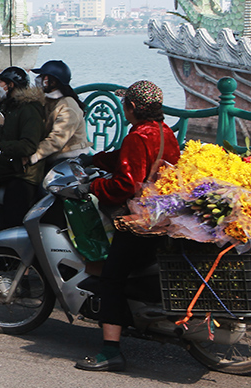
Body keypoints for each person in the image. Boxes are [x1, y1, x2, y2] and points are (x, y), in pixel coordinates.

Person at [75, 80, 180, 372]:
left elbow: (126, 184)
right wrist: (95, 159)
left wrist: (94, 186)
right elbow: (130, 161)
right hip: (163, 214)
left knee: (112, 277)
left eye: (124, 105)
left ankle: (110, 351)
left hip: (141, 220)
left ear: (132, 108)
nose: (123, 110)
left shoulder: (138, 136)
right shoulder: (164, 131)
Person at [0, 66, 45, 231]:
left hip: (21, 175)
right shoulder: (7, 107)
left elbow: (29, 144)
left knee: (8, 225)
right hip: (2, 171)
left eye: (1, 82)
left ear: (11, 85)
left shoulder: (29, 110)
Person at [29, 59, 92, 169]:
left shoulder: (68, 106)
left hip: (69, 157)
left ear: (53, 82)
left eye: (43, 77)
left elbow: (57, 139)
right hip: (52, 155)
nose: (38, 80)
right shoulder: (48, 100)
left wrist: (34, 155)